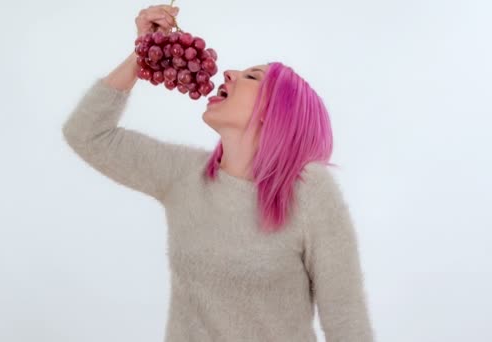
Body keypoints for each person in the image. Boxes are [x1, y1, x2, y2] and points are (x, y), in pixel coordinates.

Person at [62, 3, 375, 341]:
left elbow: (348, 325)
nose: (229, 73)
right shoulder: (183, 174)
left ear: (277, 114)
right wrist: (144, 54)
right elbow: (85, 133)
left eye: (253, 77)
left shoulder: (310, 191)